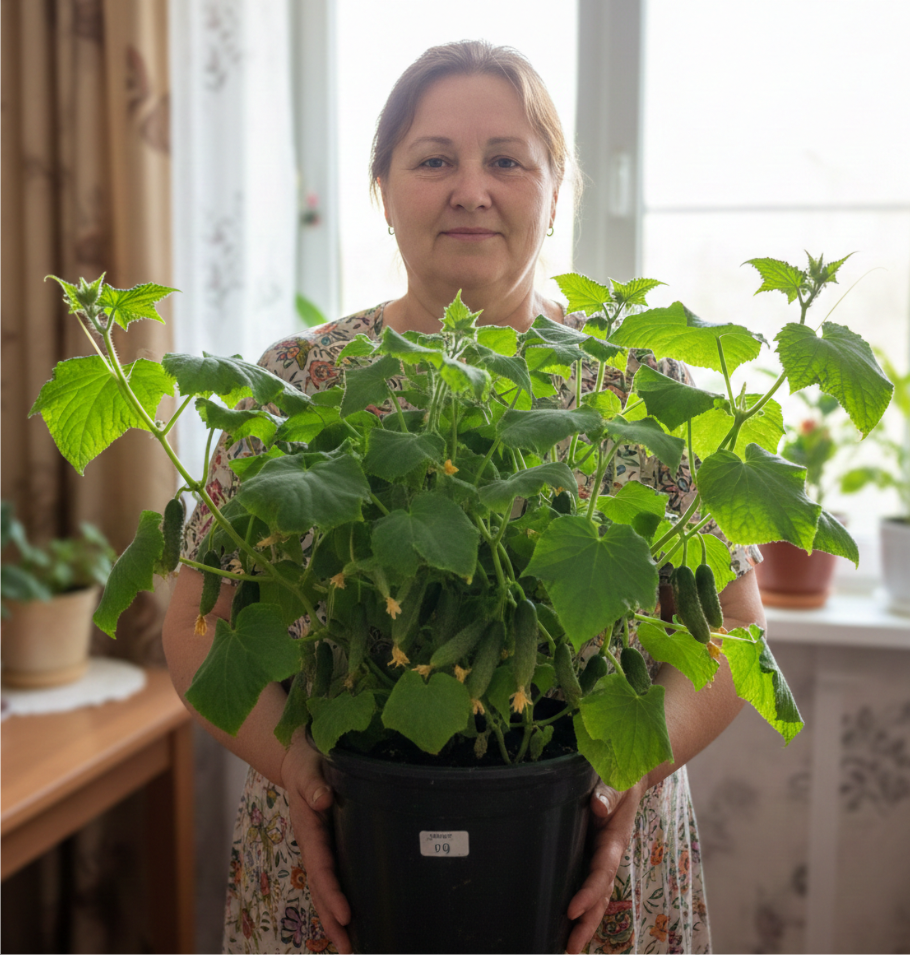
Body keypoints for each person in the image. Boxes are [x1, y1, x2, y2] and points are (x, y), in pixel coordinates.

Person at [163, 40, 765, 955]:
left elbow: (733, 634)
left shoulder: (648, 393)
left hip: (586, 853)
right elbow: (196, 625)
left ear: (557, 194)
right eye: (434, 159)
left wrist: (625, 772)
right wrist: (295, 765)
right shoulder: (293, 383)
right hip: (341, 845)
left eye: (508, 161)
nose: (470, 190)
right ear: (383, 190)